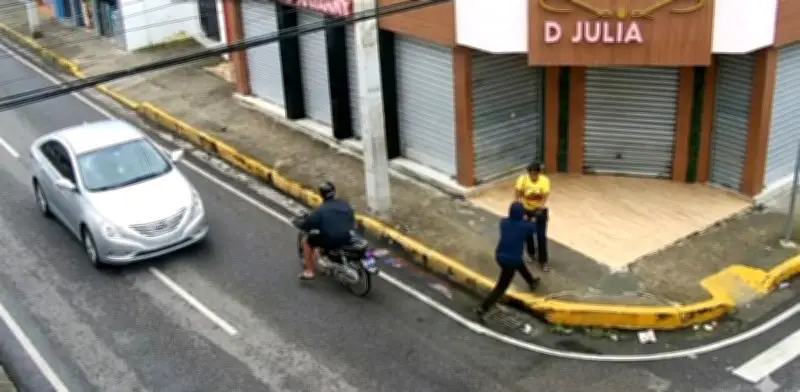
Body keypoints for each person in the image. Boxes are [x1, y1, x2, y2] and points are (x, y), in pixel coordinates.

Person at [476, 202, 541, 319]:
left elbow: (517, 225)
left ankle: (531, 281)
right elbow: (533, 229)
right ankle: (483, 308)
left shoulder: (504, 222)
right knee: (501, 286)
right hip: (511, 261)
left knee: (519, 263)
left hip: (500, 256)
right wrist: (532, 217)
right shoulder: (526, 226)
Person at [297, 181, 356, 280]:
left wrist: (302, 225)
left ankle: (309, 271)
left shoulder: (321, 210)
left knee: (307, 242)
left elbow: (309, 224)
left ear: (321, 194)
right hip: (347, 236)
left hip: (331, 239)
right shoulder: (344, 204)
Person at [514, 161, 551, 272]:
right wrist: (521, 210)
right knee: (528, 234)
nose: (533, 175)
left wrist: (540, 209)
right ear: (529, 173)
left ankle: (543, 261)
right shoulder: (522, 180)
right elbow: (517, 195)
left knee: (541, 236)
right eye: (532, 173)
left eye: (536, 173)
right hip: (526, 210)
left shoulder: (544, 181)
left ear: (539, 173)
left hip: (539, 210)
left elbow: (545, 197)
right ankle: (531, 254)